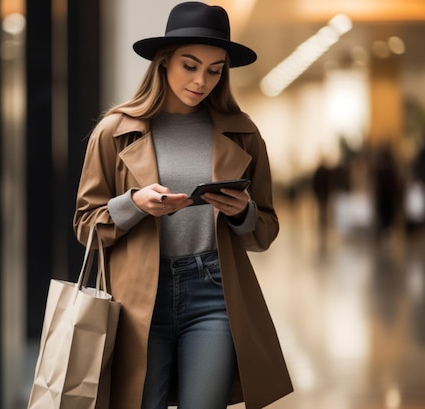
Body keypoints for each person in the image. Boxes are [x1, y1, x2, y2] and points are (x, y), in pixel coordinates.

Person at [73, 2, 292, 408]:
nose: (202, 80)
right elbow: (86, 225)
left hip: (214, 292)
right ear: (164, 62)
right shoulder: (114, 131)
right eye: (190, 65)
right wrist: (134, 203)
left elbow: (266, 228)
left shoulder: (243, 134)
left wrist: (241, 212)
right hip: (137, 296)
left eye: (215, 69)